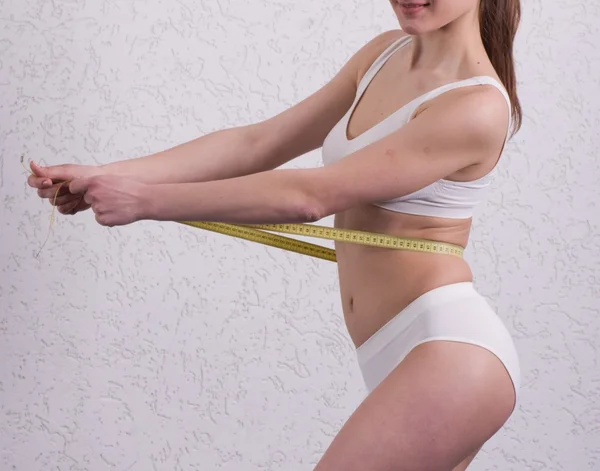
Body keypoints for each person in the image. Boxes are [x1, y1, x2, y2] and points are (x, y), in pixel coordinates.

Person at [28, 0, 523, 469]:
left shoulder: (476, 107)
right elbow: (257, 143)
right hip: (390, 354)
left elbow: (310, 196)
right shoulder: (382, 54)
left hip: (451, 353)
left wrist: (145, 201)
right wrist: (106, 175)